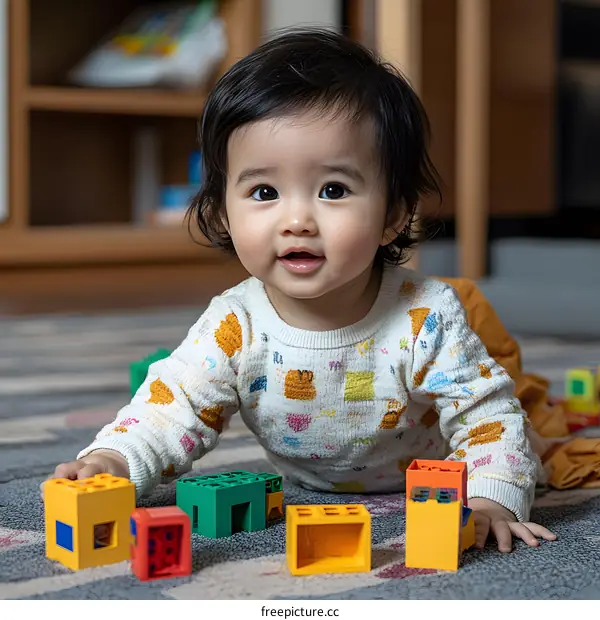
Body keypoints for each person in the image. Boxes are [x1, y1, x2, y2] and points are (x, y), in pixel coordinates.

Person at [45, 28, 556, 553]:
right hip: (305, 488)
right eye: (264, 192)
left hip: (433, 477)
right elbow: (171, 406)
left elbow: (485, 414)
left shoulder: (425, 316)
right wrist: (114, 460)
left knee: (519, 424)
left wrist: (494, 496)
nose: (296, 220)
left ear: (393, 216)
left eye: (332, 190)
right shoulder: (235, 324)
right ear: (223, 212)